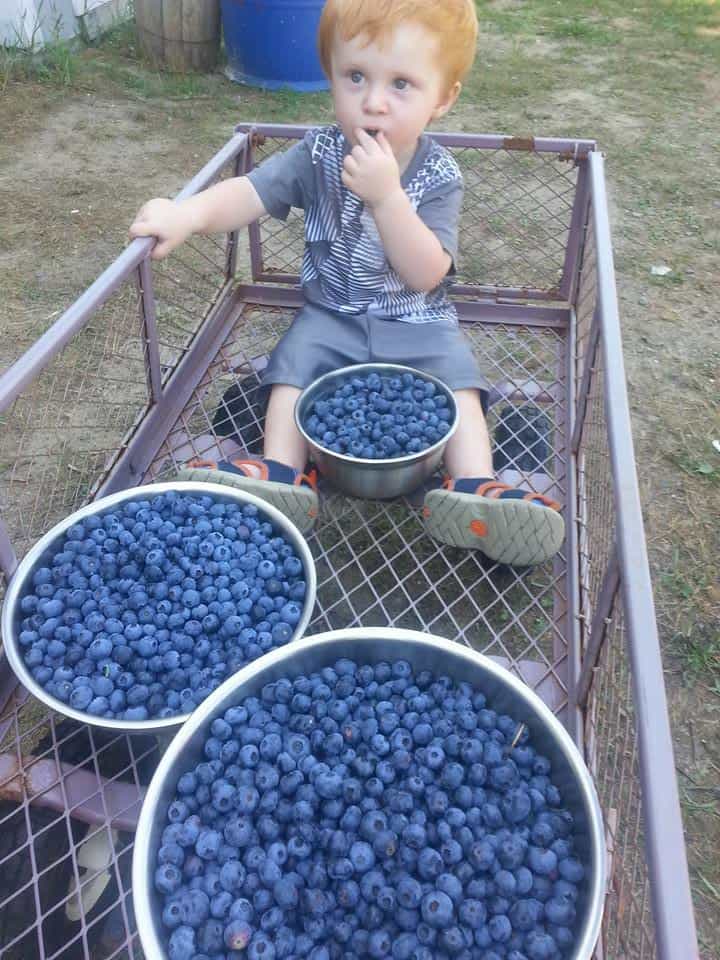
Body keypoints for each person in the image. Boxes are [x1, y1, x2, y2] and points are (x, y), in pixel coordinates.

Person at [129, 0, 564, 567]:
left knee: (460, 385)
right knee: (289, 371)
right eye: (354, 76)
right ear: (330, 76)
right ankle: (282, 476)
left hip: (417, 320)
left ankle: (475, 491)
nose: (373, 101)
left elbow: (428, 271)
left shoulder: (437, 175)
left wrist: (386, 197)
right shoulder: (318, 153)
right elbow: (251, 193)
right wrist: (187, 214)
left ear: (443, 99)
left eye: (402, 83)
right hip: (330, 314)